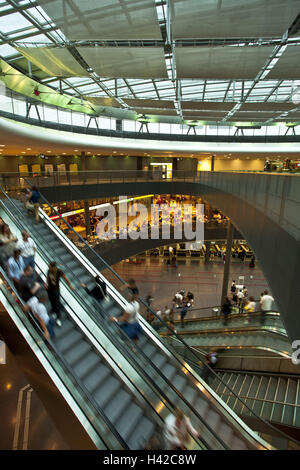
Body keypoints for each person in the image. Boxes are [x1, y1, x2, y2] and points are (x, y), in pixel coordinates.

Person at [47, 261, 74, 326]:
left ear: (53, 267)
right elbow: (48, 277)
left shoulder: (59, 271)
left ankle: (58, 317)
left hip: (56, 289)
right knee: (51, 299)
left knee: (57, 302)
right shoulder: (49, 271)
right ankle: (53, 310)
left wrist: (70, 285)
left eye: (50, 266)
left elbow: (65, 278)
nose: (49, 267)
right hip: (49, 288)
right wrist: (46, 283)